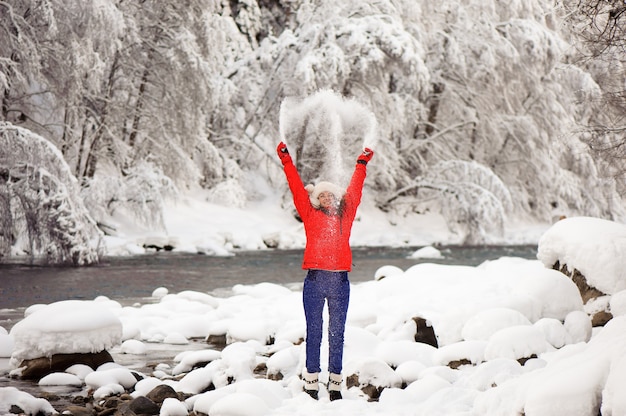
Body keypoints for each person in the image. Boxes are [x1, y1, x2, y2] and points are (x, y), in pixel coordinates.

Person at [276, 141, 374, 401]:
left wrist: (361, 163)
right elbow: (296, 187)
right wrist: (286, 159)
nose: (326, 197)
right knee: (315, 332)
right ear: (316, 201)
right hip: (315, 281)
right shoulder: (309, 214)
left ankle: (335, 385)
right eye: (321, 195)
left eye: (330, 194)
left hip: (340, 282)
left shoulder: (346, 214)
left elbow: (356, 188)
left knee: (337, 334)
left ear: (336, 197)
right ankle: (310, 382)